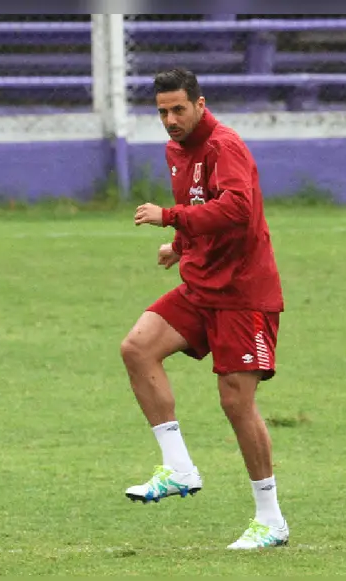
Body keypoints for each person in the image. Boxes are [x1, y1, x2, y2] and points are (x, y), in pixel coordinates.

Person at [122, 68, 289, 549]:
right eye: (162, 112)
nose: (170, 120)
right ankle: (177, 468)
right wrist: (179, 241)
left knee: (236, 403)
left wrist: (169, 219)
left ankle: (270, 519)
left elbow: (237, 208)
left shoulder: (224, 146)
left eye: (178, 109)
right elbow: (200, 201)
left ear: (200, 104)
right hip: (201, 283)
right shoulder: (178, 149)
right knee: (137, 348)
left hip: (243, 292)